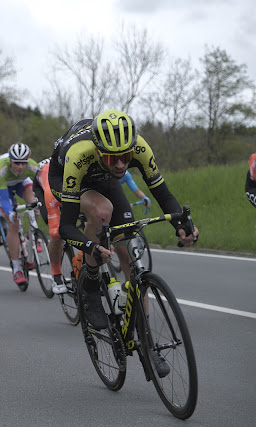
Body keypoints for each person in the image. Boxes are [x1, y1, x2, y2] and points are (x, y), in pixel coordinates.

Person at [49, 109, 199, 344]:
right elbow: (66, 227)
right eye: (112, 158)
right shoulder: (78, 155)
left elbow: (161, 192)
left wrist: (181, 224)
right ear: (98, 150)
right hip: (66, 178)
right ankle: (89, 283)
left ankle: (147, 342)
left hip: (104, 177)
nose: (120, 165)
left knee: (128, 248)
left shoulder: (138, 147)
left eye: (125, 158)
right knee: (101, 211)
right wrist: (90, 246)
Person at [0, 143, 39, 289]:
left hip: (21, 183)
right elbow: (4, 198)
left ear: (28, 161)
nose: (20, 166)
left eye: (23, 163)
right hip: (4, 187)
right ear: (10, 161)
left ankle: (31, 237)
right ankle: (17, 268)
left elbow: (43, 186)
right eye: (16, 163)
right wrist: (11, 212)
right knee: (13, 223)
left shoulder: (33, 167)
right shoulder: (1, 167)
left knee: (35, 204)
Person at [33, 158, 66, 294]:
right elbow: (54, 231)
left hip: (66, 186)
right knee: (57, 233)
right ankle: (56, 274)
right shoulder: (51, 188)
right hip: (45, 189)